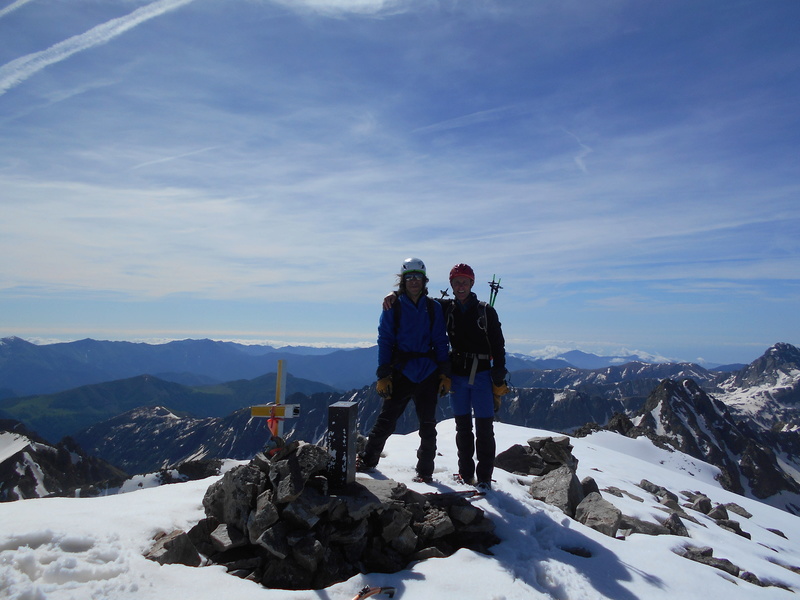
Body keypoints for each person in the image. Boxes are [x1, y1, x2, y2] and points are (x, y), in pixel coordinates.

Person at [358, 257, 451, 483]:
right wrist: (384, 374)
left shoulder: (434, 307)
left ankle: (425, 471)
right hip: (401, 371)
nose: (414, 281)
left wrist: (444, 372)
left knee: (428, 425)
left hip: (427, 371)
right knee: (387, 419)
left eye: (417, 277)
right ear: (403, 281)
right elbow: (385, 339)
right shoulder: (393, 306)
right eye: (409, 277)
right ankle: (369, 459)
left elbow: (440, 340)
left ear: (424, 280)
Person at [444, 263, 507, 491]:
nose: (461, 286)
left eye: (465, 282)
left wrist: (499, 374)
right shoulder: (447, 309)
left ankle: (484, 478)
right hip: (459, 376)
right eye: (456, 282)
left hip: (481, 375)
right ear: (451, 285)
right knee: (463, 428)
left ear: (472, 284)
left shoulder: (485, 311)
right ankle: (466, 473)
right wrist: (393, 295)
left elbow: (498, 344)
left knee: (483, 429)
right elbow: (420, 300)